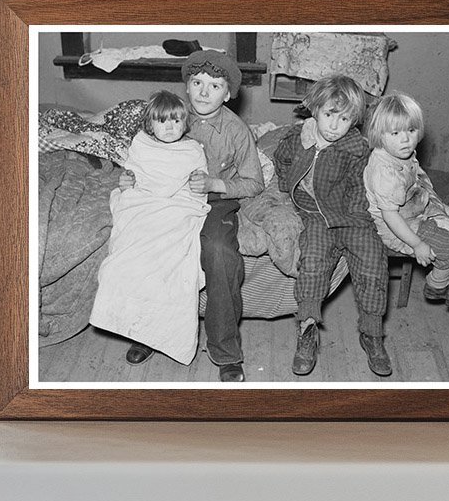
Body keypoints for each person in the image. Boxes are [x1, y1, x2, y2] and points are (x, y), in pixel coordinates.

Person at [272, 75, 392, 378]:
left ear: (355, 120)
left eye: (345, 118)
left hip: (350, 216)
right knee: (312, 261)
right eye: (329, 115)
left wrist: (356, 218)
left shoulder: (356, 148)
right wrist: (288, 187)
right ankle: (308, 330)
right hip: (314, 214)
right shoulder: (298, 138)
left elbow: (357, 188)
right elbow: (281, 160)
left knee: (372, 263)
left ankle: (372, 333)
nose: (335, 125)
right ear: (315, 109)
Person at [89, 91, 211, 366]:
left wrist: (196, 186)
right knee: (128, 258)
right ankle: (140, 332)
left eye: (176, 121)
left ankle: (156, 335)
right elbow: (133, 176)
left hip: (175, 209)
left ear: (185, 123)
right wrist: (127, 181)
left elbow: (197, 191)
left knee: (170, 260)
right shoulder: (141, 144)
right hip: (144, 205)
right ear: (149, 125)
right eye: (162, 121)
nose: (170, 127)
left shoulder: (191, 150)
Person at [170, 49, 264, 383]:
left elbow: (254, 182)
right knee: (154, 250)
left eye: (215, 85)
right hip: (170, 201)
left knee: (220, 253)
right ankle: (148, 334)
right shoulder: (172, 116)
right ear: (187, 86)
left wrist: (216, 183)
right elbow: (145, 152)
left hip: (216, 204)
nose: (203, 92)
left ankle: (226, 352)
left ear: (228, 94)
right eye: (197, 82)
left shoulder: (237, 131)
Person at [364, 92, 449, 314]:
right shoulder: (385, 171)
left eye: (411, 131)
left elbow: (417, 183)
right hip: (395, 227)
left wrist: (436, 207)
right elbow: (390, 216)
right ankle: (436, 285)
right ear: (379, 134)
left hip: (412, 212)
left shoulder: (401, 152)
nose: (405, 139)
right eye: (395, 133)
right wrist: (417, 244)